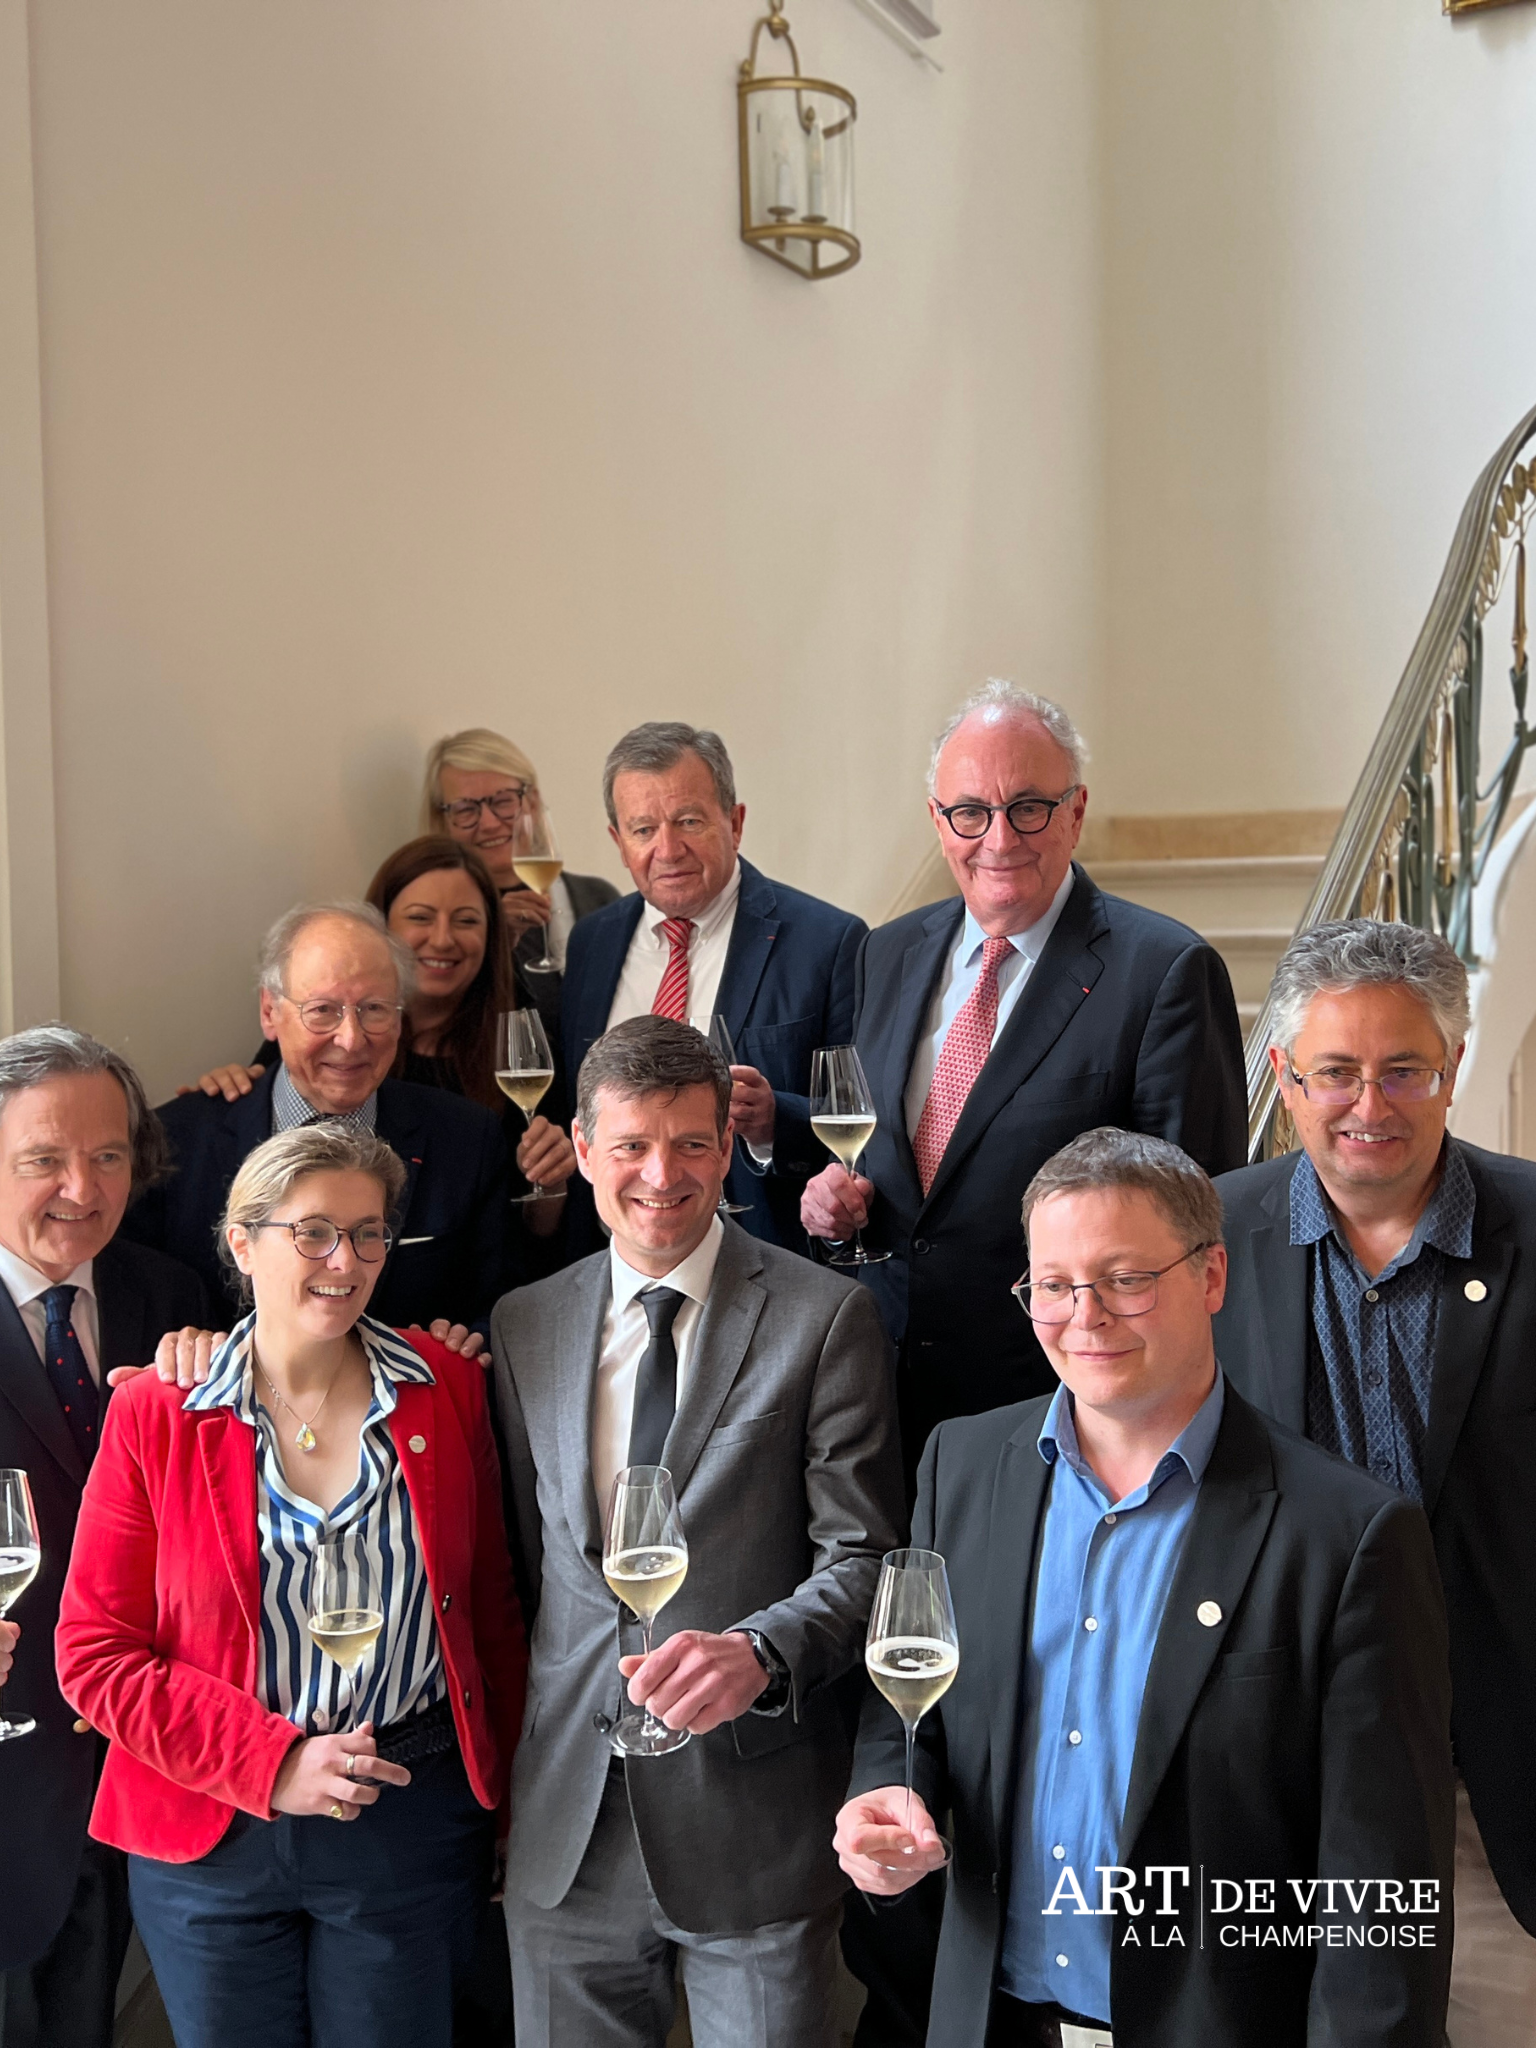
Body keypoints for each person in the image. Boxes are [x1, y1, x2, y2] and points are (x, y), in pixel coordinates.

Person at [835, 1127, 1456, 2048]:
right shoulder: (959, 1467)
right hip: (986, 2020)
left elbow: (1381, 1898)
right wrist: (888, 1791)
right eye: (1052, 1284)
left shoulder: (1350, 1535)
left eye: (1125, 1278)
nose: (1083, 1315)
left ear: (1211, 1278)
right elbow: (909, 1698)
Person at [56, 1124, 526, 2048]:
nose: (343, 1261)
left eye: (368, 1234)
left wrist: (506, 1801)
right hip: (207, 1832)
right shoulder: (157, 1410)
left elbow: (492, 1613)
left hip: (407, 1815)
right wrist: (271, 1762)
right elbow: (93, 1654)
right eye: (311, 1232)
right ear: (242, 1240)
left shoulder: (447, 1388)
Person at [492, 1015, 904, 2048]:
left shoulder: (824, 1316)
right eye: (631, 1143)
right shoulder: (523, 1323)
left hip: (752, 1819)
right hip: (567, 1831)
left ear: (727, 1146)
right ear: (584, 1148)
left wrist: (760, 1651)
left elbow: (865, 1558)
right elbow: (520, 1560)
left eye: (688, 1142)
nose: (661, 1174)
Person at [1211, 918, 1536, 2048]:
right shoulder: (1201, 1238)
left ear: (1452, 1065)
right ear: (1283, 1076)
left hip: (1492, 1797)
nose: (1370, 1103)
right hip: (1275, 1785)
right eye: (1336, 1071)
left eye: (1405, 1069)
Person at [801, 681, 1247, 1479]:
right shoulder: (887, 953)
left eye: (1029, 808)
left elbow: (1198, 1220)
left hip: (1059, 1415)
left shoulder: (1164, 972)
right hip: (882, 1408)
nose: (998, 837)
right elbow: (899, 1166)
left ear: (1075, 812)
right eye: (969, 811)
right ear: (938, 823)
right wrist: (843, 1200)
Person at [0, 1026, 206, 2048]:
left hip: (128, 1771)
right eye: (43, 1157)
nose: (82, 1186)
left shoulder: (168, 1297)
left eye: (110, 1153)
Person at [124, 901, 520, 1327]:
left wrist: (463, 1344)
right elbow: (142, 1304)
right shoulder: (178, 1139)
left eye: (374, 1009)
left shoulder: (465, 1138)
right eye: (322, 1011)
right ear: (269, 1012)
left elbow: (495, 1310)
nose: (351, 1039)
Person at [562, 721, 867, 1249]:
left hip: (765, 1259)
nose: (668, 849)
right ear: (617, 842)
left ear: (735, 821)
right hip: (616, 1261)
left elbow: (863, 1115)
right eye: (642, 830)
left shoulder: (829, 942)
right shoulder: (591, 943)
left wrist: (776, 1121)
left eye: (688, 820)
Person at [183, 839, 578, 1232]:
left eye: (467, 920)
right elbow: (251, 1105)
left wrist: (551, 1185)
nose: (443, 939)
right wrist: (225, 1087)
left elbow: (513, 1251)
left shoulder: (513, 1052)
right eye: (421, 917)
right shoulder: (302, 1040)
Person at [425, 726, 620, 1043]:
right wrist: (491, 940)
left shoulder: (597, 898)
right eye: (465, 809)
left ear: (533, 802)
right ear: (442, 821)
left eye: (503, 801)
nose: (488, 823)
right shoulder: (438, 925)